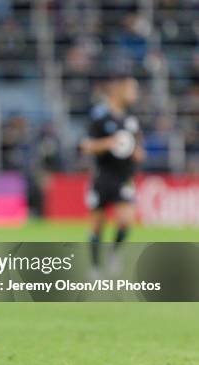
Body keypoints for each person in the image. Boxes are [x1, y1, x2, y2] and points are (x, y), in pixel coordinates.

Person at [80, 71, 145, 278]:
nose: (135, 93)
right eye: (132, 88)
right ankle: (95, 267)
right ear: (119, 90)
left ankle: (114, 252)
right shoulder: (99, 116)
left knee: (126, 219)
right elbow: (86, 146)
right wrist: (108, 143)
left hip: (124, 177)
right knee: (98, 224)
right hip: (103, 176)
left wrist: (136, 152)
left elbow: (138, 147)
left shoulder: (131, 119)